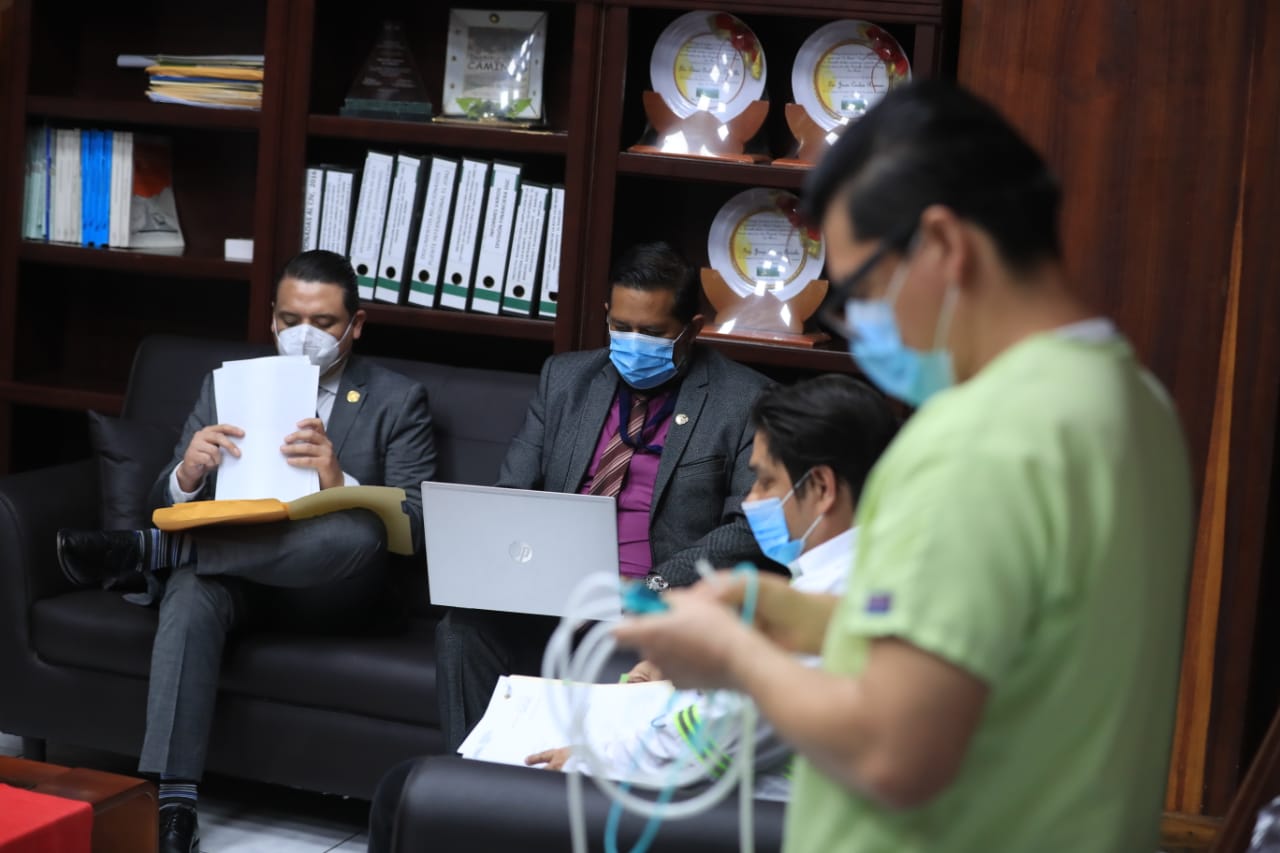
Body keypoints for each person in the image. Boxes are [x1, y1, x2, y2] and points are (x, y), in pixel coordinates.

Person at [614, 80, 1194, 852]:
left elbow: (892, 751)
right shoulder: (1132, 401)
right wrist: (805, 617)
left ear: (945, 246)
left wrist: (733, 657)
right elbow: (1007, 643)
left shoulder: (976, 438)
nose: (859, 327)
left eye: (861, 289)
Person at [55, 250, 438, 853]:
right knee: (192, 589)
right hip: (242, 583)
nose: (304, 334)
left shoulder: (398, 398)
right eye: (290, 319)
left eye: (324, 322)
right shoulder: (230, 385)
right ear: (271, 318)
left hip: (334, 592)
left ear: (356, 325)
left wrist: (336, 479)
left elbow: (413, 528)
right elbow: (163, 499)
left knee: (359, 532)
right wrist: (187, 473)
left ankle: (158, 553)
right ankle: (174, 806)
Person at [433, 241, 770, 755]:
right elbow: (513, 492)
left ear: (692, 329)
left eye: (652, 333)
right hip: (556, 594)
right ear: (607, 314)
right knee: (463, 629)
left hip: (659, 603)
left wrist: (654, 584)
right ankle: (472, 781)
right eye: (621, 327)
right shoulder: (566, 379)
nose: (634, 343)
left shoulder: (743, 399)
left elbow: (748, 526)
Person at [522, 375, 898, 802]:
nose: (750, 501)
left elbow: (706, 745)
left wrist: (587, 760)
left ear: (822, 488)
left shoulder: (835, 592)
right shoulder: (858, 574)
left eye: (765, 481)